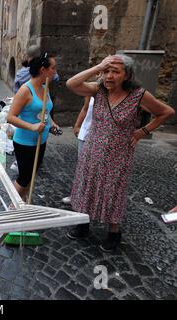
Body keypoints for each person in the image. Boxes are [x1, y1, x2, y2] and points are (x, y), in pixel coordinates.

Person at [66, 54, 175, 253]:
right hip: (92, 149)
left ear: (127, 75)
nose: (109, 76)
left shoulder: (138, 95)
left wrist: (143, 132)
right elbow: (72, 84)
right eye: (106, 71)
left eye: (115, 71)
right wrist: (98, 66)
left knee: (113, 190)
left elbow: (166, 112)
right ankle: (83, 222)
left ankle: (114, 232)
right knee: (88, 183)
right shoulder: (98, 90)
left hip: (119, 153)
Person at [7, 53, 61, 203]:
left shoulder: (45, 88)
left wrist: (52, 124)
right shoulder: (25, 90)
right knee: (24, 177)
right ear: (43, 70)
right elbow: (10, 117)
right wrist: (32, 126)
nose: (55, 71)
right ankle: (12, 208)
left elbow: (45, 112)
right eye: (53, 68)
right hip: (24, 142)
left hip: (41, 140)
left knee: (31, 175)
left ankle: (23, 201)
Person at [61, 96, 94, 204]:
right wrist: (77, 125)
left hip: (102, 137)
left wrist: (141, 132)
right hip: (86, 134)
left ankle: (93, 198)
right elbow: (85, 108)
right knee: (82, 167)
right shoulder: (92, 90)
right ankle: (77, 195)